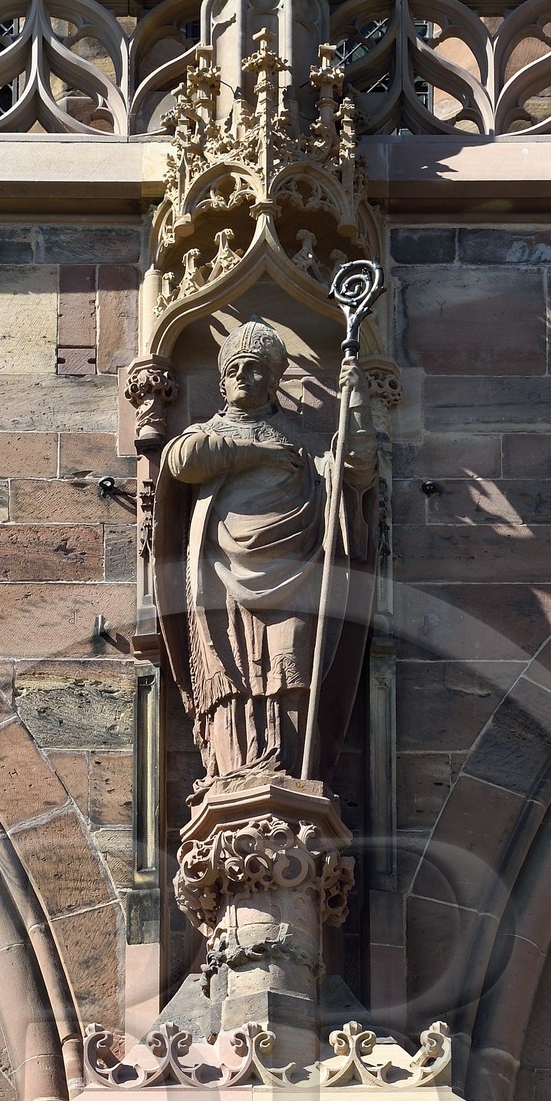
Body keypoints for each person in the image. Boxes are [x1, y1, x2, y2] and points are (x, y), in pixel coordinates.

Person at [153, 319, 377, 785]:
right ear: (221, 380)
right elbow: (182, 461)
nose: (245, 377)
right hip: (220, 573)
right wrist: (253, 452)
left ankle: (292, 775)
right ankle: (233, 770)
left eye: (257, 369)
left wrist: (354, 404)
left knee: (292, 669)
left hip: (298, 568)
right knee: (229, 674)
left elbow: (353, 472)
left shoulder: (303, 444)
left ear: (276, 380)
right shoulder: (205, 436)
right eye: (235, 368)